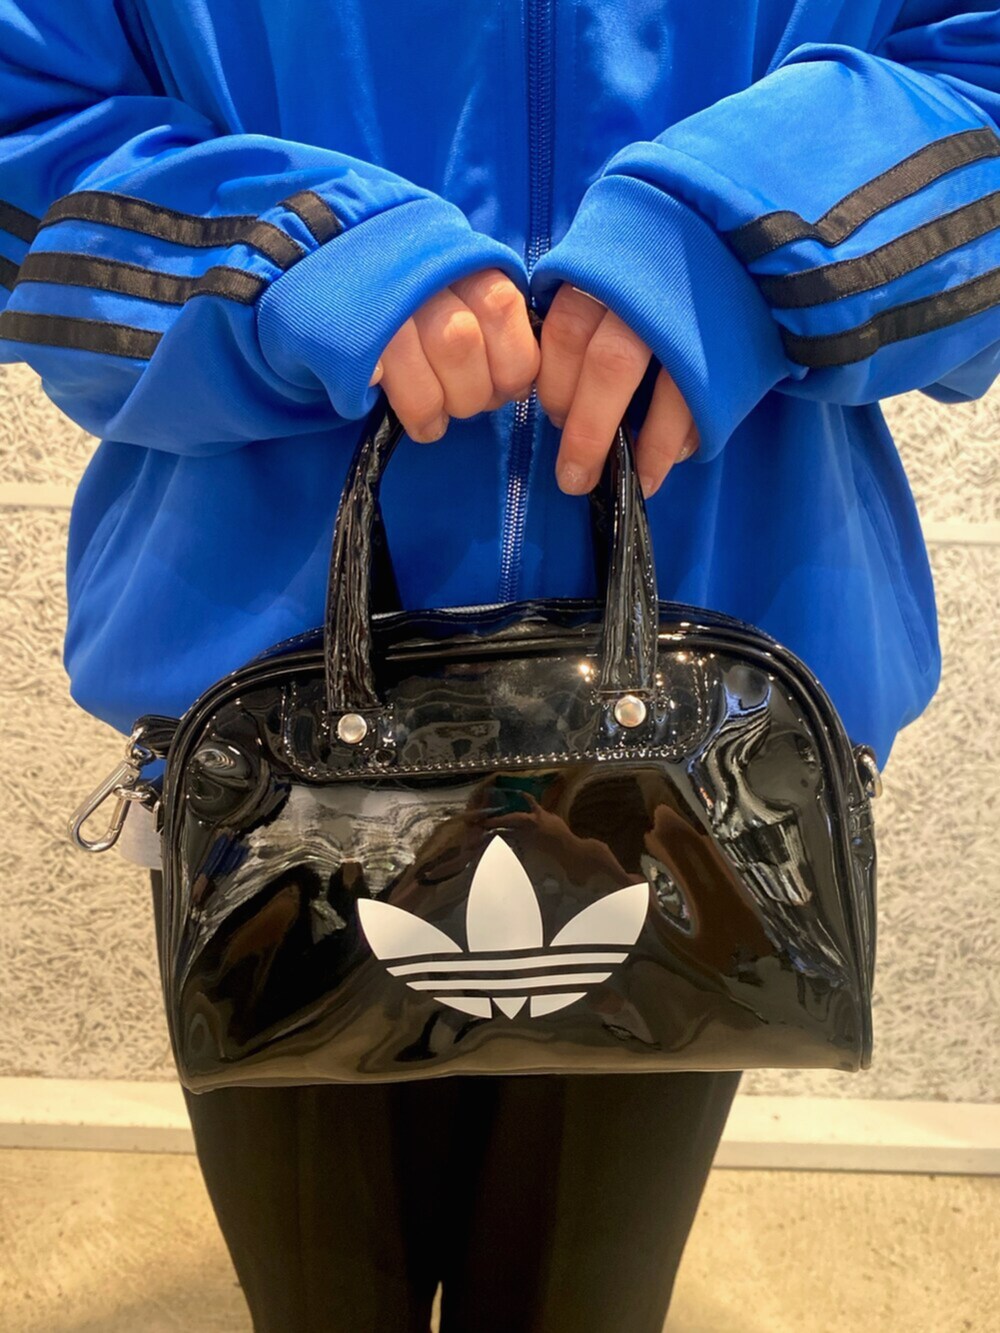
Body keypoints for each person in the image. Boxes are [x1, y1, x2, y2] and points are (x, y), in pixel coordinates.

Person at [2, 2, 998, 1329]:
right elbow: (27, 125)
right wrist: (286, 251)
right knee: (319, 1300)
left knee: (582, 1299)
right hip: (276, 752)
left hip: (697, 755)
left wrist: (749, 229)